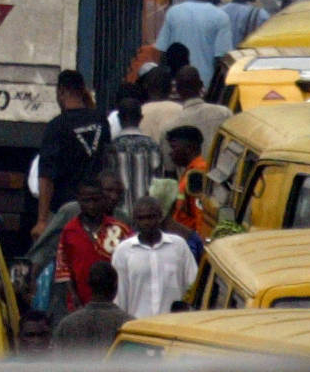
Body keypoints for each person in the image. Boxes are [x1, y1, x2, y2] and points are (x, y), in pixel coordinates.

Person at [33, 70, 108, 231]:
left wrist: (42, 220)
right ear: (83, 90)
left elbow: (46, 177)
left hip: (65, 209)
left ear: (61, 91)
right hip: (96, 207)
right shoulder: (101, 121)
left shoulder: (56, 126)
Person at [51, 177, 130, 316]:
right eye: (87, 201)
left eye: (96, 200)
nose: (92, 205)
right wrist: (74, 297)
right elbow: (64, 270)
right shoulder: (70, 230)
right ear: (79, 201)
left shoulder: (120, 230)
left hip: (115, 304)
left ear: (103, 200)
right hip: (80, 305)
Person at [109, 196, 195, 320]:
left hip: (174, 327)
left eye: (151, 217)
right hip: (138, 328)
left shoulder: (178, 246)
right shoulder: (123, 251)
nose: (146, 222)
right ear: (135, 220)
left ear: (160, 217)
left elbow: (192, 286)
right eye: (141, 218)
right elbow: (119, 296)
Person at [156, 0, 232, 75]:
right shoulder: (220, 17)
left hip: (176, 83)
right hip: (204, 83)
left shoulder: (174, 11)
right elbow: (221, 59)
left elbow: (163, 53)